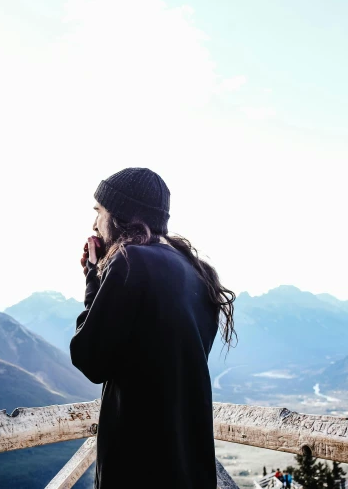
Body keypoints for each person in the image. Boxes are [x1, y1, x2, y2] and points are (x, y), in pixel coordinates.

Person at [70, 167, 236, 489]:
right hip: (189, 464)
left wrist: (93, 280)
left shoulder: (130, 261)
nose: (94, 223)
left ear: (119, 213)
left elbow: (90, 358)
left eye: (98, 211)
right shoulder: (199, 273)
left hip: (138, 464)